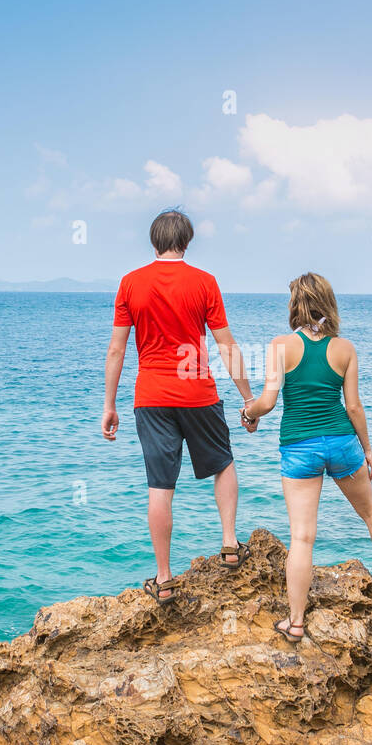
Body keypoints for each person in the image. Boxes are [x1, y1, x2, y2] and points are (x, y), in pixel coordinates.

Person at [240, 272, 372, 643]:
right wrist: (367, 449)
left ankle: (296, 623)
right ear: (327, 302)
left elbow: (268, 402)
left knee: (302, 537)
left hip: (300, 448)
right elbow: (353, 406)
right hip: (342, 443)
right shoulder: (345, 349)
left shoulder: (281, 346)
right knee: (371, 513)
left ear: (294, 305)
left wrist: (249, 413)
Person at [102, 209, 255, 605]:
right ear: (186, 241)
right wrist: (248, 399)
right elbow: (226, 346)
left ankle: (165, 579)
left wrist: (109, 404)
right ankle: (229, 544)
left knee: (159, 486)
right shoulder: (204, 282)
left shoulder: (130, 283)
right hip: (197, 391)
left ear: (153, 241)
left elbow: (117, 348)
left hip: (150, 396)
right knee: (222, 463)